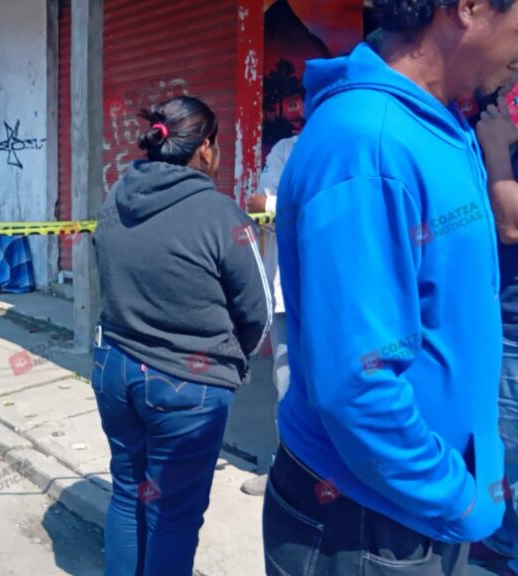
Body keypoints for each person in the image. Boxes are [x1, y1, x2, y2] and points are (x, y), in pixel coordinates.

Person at [264, 1, 518, 574]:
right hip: (370, 521)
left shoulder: (438, 123)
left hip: (415, 507)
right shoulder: (369, 142)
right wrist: (459, 499)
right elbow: (358, 384)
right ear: (470, 8)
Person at [92, 96, 272, 576]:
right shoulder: (223, 217)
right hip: (188, 385)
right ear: (206, 148)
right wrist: (229, 362)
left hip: (115, 367)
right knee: (172, 515)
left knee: (128, 494)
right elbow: (256, 314)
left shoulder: (116, 196)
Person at [473, 88, 518, 576]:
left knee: (510, 448)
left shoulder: (502, 144)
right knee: (501, 444)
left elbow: (512, 227)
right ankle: (503, 538)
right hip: (497, 320)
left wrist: (497, 151)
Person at [241, 133, 298, 496]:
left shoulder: (353, 144)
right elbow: (260, 208)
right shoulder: (286, 150)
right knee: (287, 384)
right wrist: (286, 208)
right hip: (286, 294)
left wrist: (282, 207)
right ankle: (288, 471)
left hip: (338, 298)